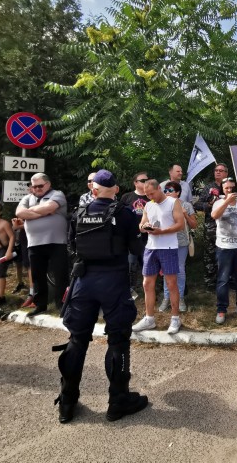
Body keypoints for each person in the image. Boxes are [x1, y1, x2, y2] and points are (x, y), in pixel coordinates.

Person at [56, 169, 148, 423]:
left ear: (93, 190)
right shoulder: (125, 213)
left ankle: (67, 401)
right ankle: (118, 401)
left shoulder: (79, 213)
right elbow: (136, 248)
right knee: (118, 340)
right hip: (114, 282)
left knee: (77, 340)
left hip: (83, 282)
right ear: (116, 190)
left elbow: (72, 246)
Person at [132, 180, 185, 334]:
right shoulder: (149, 205)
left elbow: (180, 224)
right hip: (151, 247)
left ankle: (175, 318)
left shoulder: (173, 202)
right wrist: (144, 227)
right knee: (147, 283)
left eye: (152, 193)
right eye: (147, 194)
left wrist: (161, 231)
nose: (150, 197)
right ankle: (149, 319)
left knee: (171, 283)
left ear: (159, 188)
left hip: (168, 247)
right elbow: (142, 224)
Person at [15, 173, 69, 317]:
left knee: (60, 275)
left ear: (48, 184)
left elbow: (49, 207)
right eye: (34, 186)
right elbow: (19, 213)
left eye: (40, 185)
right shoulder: (27, 198)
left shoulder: (57, 194)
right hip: (34, 243)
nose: (37, 188)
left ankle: (62, 305)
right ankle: (40, 304)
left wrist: (32, 212)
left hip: (57, 241)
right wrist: (44, 213)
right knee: (38, 276)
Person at [211, 177, 237, 324]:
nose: (229, 190)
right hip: (224, 248)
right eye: (226, 188)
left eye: (231, 188)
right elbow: (214, 216)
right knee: (223, 280)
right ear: (223, 189)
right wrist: (226, 202)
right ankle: (221, 309)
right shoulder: (218, 203)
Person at [158, 182, 196, 312]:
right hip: (166, 242)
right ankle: (166, 298)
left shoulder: (186, 205)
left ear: (178, 192)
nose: (167, 192)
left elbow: (194, 224)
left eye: (170, 190)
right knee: (166, 270)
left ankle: (180, 298)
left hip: (181, 243)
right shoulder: (161, 205)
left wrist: (185, 214)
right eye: (165, 190)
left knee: (179, 269)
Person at [194, 164, 228, 291]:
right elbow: (197, 204)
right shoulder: (209, 187)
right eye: (216, 170)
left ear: (226, 173)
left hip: (228, 227)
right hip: (212, 226)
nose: (218, 172)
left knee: (227, 253)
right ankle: (210, 282)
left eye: (221, 171)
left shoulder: (230, 186)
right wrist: (209, 205)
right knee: (210, 254)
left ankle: (228, 279)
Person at [121, 171, 150, 295]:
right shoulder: (126, 197)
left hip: (148, 237)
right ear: (135, 183)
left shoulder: (151, 196)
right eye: (143, 180)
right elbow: (119, 216)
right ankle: (130, 290)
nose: (146, 182)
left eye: (147, 180)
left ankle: (149, 289)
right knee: (130, 264)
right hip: (131, 237)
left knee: (147, 264)